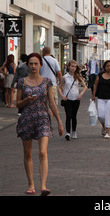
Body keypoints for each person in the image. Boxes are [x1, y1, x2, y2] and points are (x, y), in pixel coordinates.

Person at [16, 53, 64, 196]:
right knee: (28, 153)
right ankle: (31, 184)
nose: (33, 66)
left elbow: (52, 103)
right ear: (28, 65)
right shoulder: (22, 82)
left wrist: (60, 122)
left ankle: (43, 185)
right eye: (31, 64)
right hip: (27, 119)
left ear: (40, 65)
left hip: (43, 118)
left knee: (43, 152)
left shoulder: (46, 81)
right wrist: (26, 100)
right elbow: (17, 103)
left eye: (36, 64)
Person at [59, 60, 88, 140]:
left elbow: (85, 87)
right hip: (67, 99)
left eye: (75, 66)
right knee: (68, 115)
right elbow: (60, 87)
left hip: (76, 98)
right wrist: (62, 96)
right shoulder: (65, 77)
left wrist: (81, 94)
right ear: (68, 67)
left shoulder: (78, 76)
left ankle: (74, 131)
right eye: (72, 66)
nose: (73, 68)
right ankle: (68, 133)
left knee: (74, 116)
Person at [92, 60, 110, 139]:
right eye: (107, 66)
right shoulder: (100, 75)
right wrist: (93, 95)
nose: (108, 67)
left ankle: (107, 132)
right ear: (104, 67)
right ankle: (104, 126)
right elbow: (95, 85)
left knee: (108, 115)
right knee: (101, 115)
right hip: (101, 97)